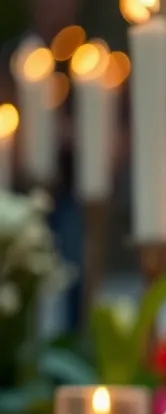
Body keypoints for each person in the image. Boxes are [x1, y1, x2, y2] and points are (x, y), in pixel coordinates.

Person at [0, 0, 86, 329]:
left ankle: (75, 335)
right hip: (22, 188)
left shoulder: (85, 57)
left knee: (75, 264)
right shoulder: (16, 55)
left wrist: (70, 133)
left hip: (72, 183)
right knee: (20, 272)